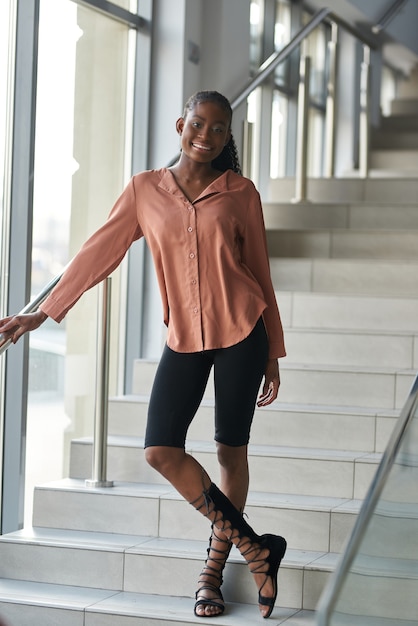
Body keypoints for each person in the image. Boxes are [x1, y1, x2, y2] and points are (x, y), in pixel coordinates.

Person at [0, 90, 286, 619]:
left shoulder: (241, 192)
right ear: (181, 123)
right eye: (198, 124)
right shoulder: (143, 190)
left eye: (219, 128)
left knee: (230, 453)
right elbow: (98, 252)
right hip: (184, 336)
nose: (206, 135)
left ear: (228, 136)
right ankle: (257, 548)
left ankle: (213, 571)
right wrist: (43, 311)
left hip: (243, 333)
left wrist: (274, 348)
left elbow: (261, 271)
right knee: (160, 449)